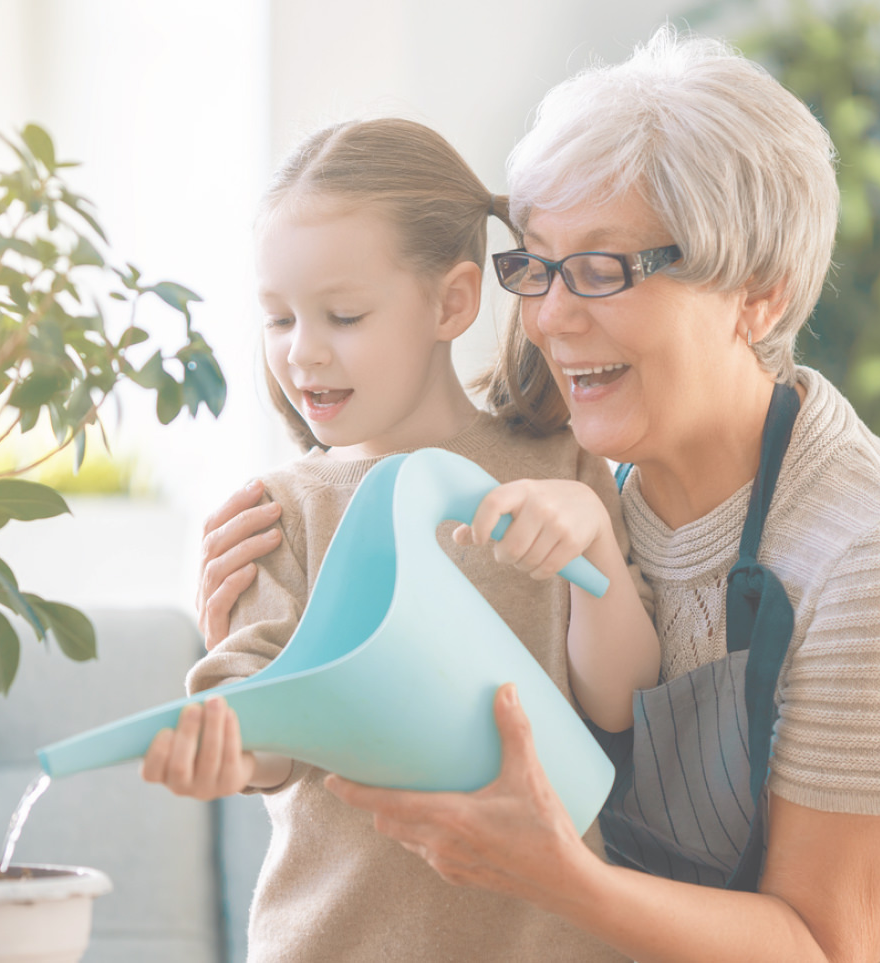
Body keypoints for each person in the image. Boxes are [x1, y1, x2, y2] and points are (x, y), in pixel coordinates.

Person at [199, 29, 880, 963]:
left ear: (756, 292)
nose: (546, 317)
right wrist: (274, 629)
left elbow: (819, 946)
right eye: (537, 266)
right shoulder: (576, 483)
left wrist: (553, 872)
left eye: (601, 270)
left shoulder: (875, 557)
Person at [140, 117, 658, 963]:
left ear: (452, 302)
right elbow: (261, 733)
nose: (303, 353)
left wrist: (594, 542)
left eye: (342, 315)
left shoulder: (561, 464)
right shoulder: (279, 509)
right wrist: (220, 747)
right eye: (277, 319)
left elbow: (620, 702)